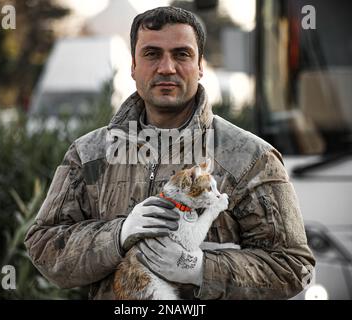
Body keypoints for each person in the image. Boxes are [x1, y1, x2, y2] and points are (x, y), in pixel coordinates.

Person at [25, 6, 315, 300]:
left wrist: (198, 268)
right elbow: (43, 245)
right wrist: (119, 235)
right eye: (151, 54)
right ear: (133, 66)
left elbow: (292, 266)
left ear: (200, 65)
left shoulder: (251, 157)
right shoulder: (89, 154)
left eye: (181, 54)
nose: (166, 67)